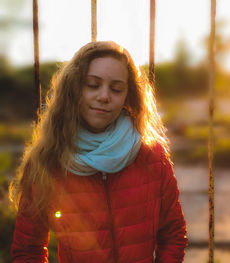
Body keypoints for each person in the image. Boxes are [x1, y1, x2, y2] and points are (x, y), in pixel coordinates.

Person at [10, 41, 188, 262]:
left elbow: (173, 235)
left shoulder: (152, 156)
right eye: (93, 85)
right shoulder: (47, 161)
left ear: (127, 95)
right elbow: (28, 250)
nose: (104, 96)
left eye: (116, 88)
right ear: (74, 89)